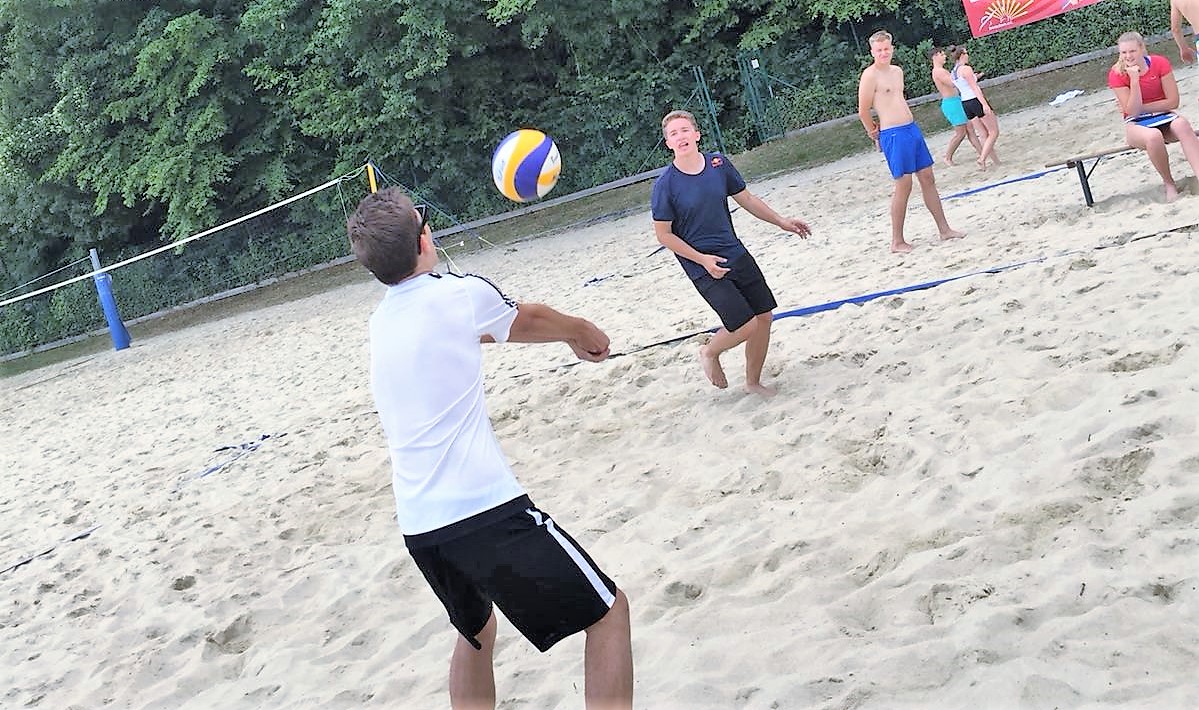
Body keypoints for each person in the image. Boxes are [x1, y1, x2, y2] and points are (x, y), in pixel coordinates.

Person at [346, 187, 633, 710]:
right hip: (485, 513)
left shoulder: (383, 319)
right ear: (424, 240)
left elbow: (471, 335)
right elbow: (528, 319)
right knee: (609, 614)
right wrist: (581, 332)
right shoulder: (457, 294)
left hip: (421, 526)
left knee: (476, 633)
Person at [651, 109, 812, 397]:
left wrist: (782, 222)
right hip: (702, 264)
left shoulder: (718, 164)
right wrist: (702, 260)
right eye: (674, 133)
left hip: (734, 252)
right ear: (668, 144)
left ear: (697, 134)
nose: (681, 136)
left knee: (764, 316)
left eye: (685, 130)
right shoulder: (665, 185)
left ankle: (753, 382)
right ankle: (709, 352)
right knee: (744, 324)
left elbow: (746, 198)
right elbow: (663, 235)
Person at [857, 30, 965, 253]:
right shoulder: (870, 75)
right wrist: (873, 133)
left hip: (910, 129)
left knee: (927, 177)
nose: (883, 53)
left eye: (886, 48)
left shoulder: (896, 71)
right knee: (903, 185)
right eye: (879, 50)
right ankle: (897, 241)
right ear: (872, 52)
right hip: (893, 133)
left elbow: (897, 99)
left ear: (892, 48)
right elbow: (863, 110)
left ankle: (944, 229)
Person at [1108, 30, 1199, 202]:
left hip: (1164, 117)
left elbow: (1173, 101)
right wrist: (1134, 80)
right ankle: (1169, 183)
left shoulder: (1159, 63)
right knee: (1153, 136)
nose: (1128, 56)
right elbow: (1133, 113)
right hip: (1136, 124)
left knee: (1182, 125)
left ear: (1142, 48)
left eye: (1132, 51)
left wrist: (1143, 107)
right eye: (1123, 52)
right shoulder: (1117, 74)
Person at [930, 46, 984, 166]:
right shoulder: (938, 71)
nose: (944, 57)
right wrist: (970, 77)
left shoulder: (942, 70)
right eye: (942, 54)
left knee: (970, 128)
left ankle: (983, 153)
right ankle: (948, 157)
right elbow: (953, 83)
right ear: (935, 57)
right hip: (951, 103)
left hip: (956, 100)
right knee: (960, 133)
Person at [950, 46, 1001, 168]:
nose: (968, 55)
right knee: (993, 132)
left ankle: (995, 161)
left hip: (965, 102)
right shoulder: (966, 69)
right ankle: (982, 158)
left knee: (983, 133)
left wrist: (976, 76)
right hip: (974, 99)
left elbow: (962, 85)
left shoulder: (953, 72)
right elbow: (974, 87)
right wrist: (984, 104)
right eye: (966, 53)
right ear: (962, 55)